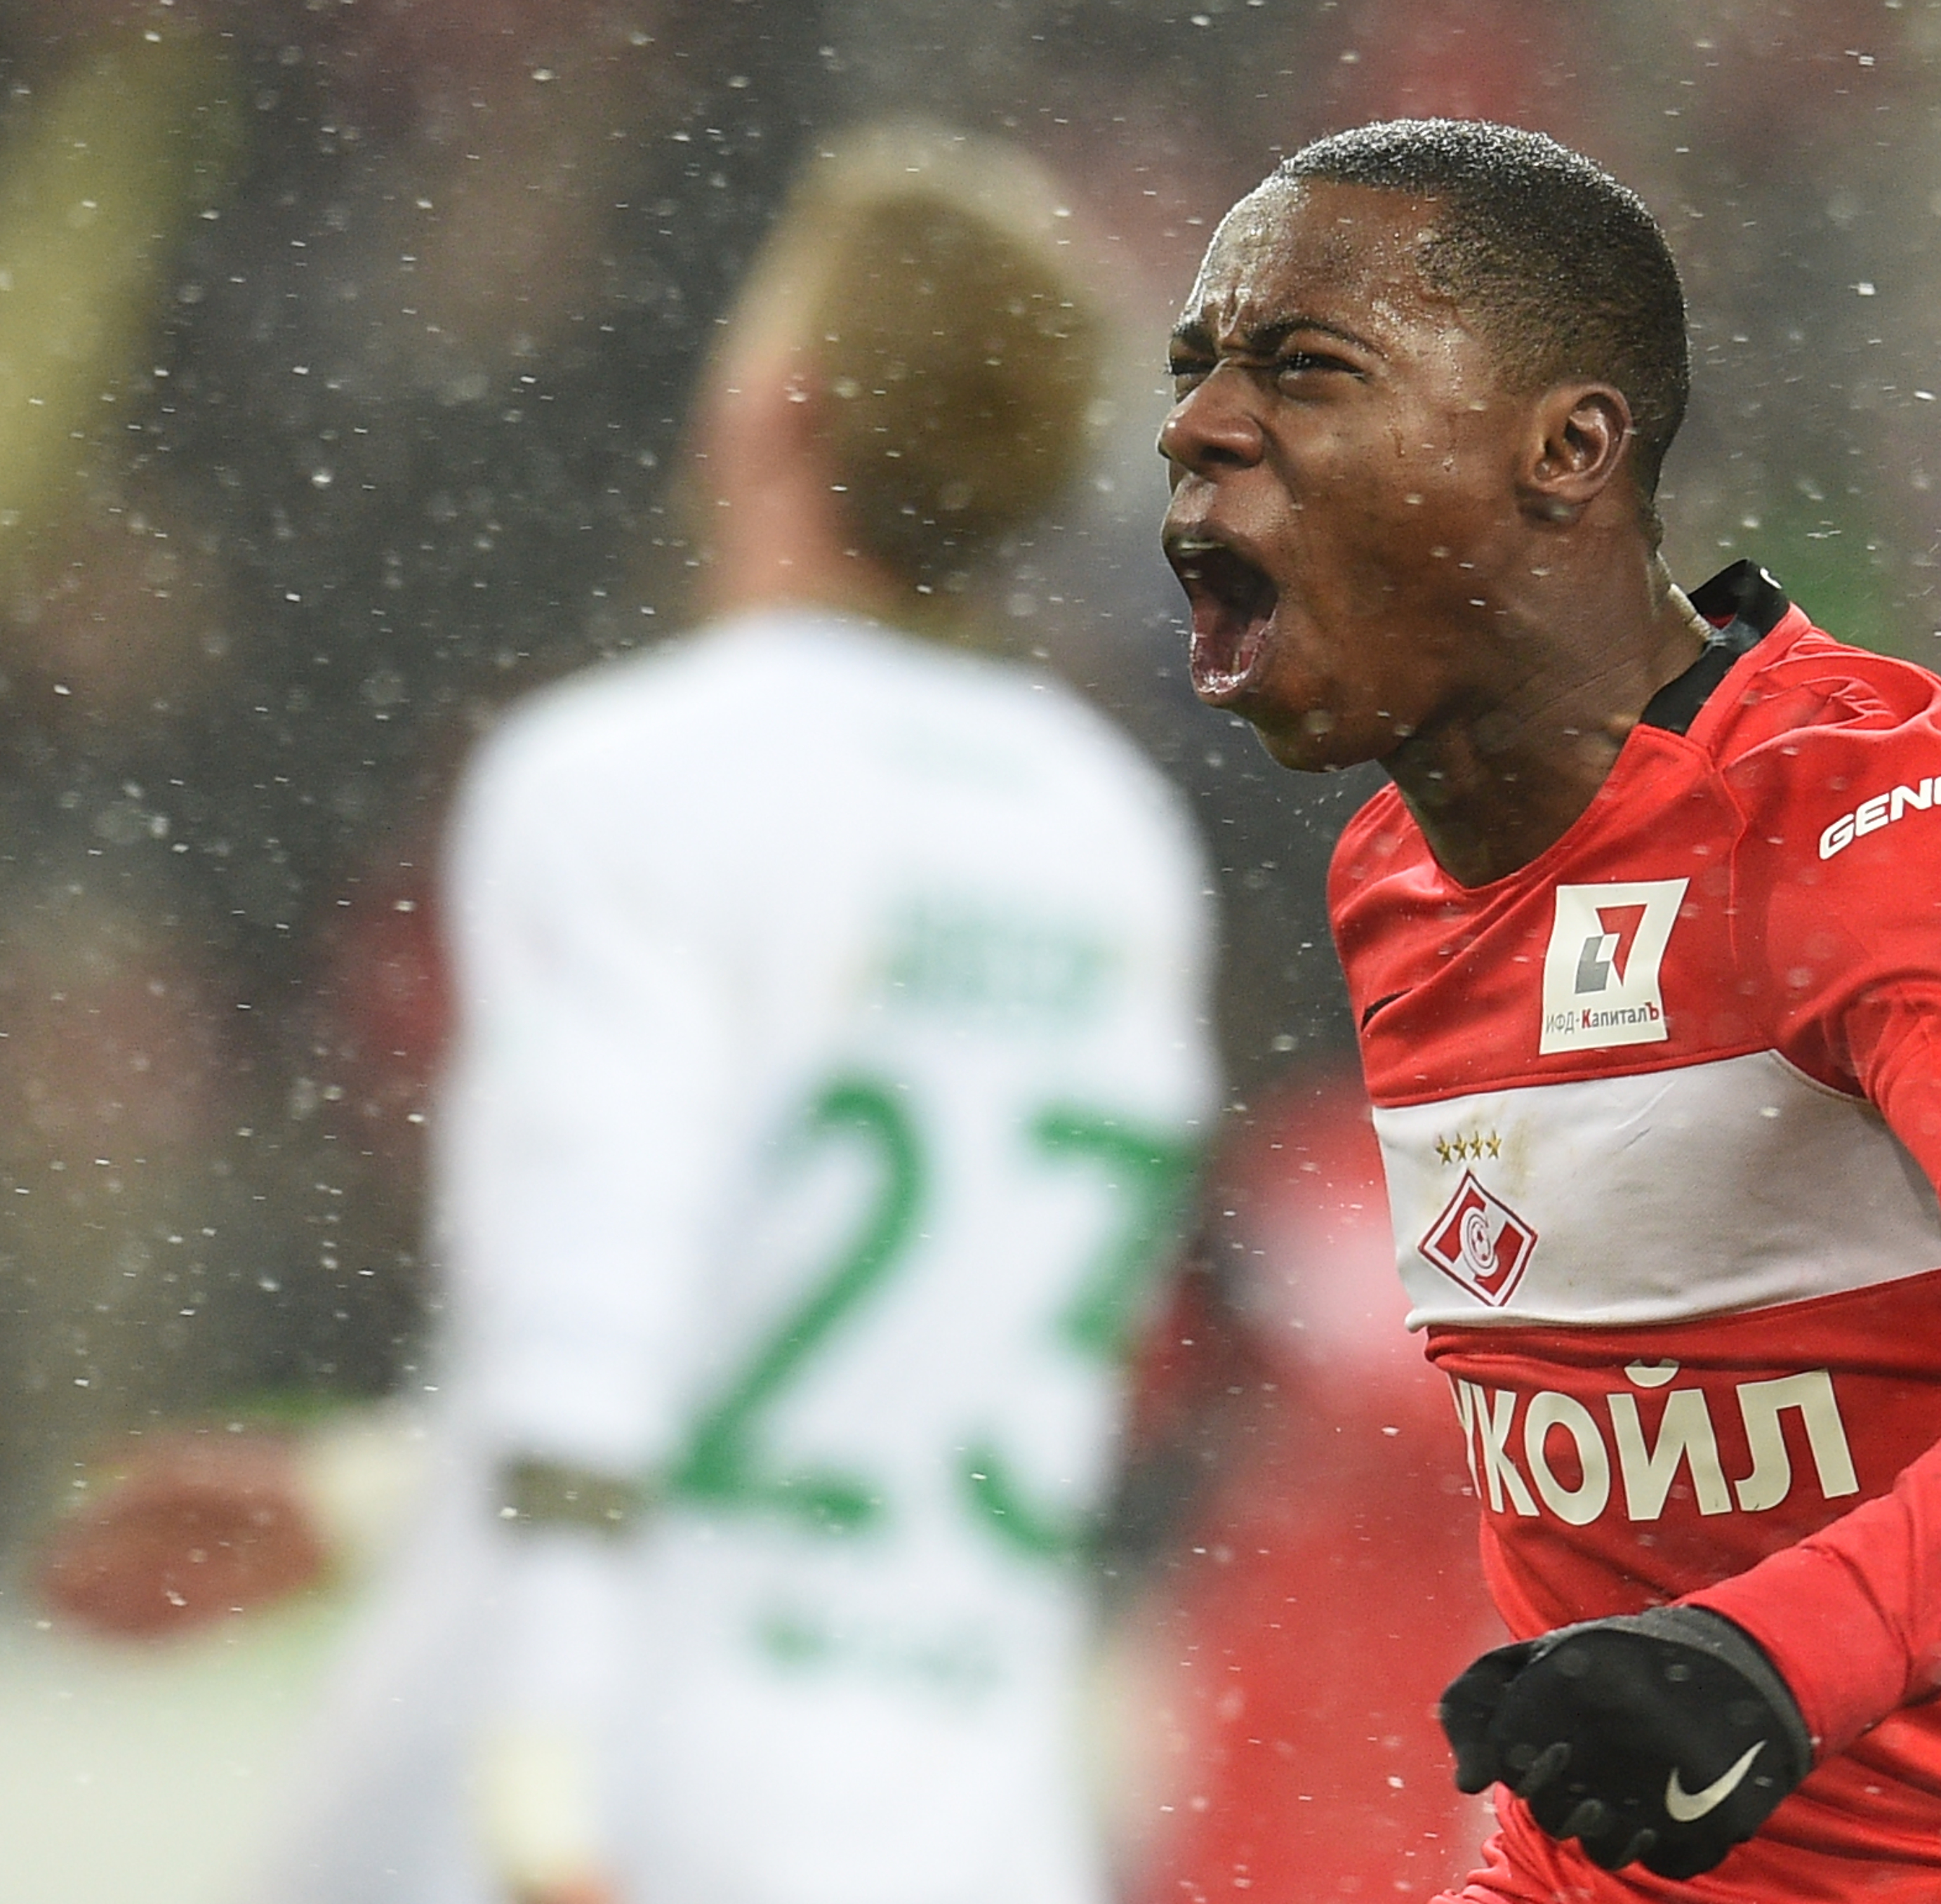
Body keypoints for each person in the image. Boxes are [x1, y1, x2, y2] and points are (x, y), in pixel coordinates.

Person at [1156, 118, 1941, 1903]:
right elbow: (1598, 1606)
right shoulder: (1397, 879)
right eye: (1193, 371)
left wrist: (1767, 1661)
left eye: (1304, 367)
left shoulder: (1883, 826)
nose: (1199, 426)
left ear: (1568, 450)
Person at [45, 123, 1217, 1904]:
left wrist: (538, 1784)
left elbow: (595, 1324)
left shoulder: (629, 774)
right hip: (962, 1825)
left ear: (774, 401)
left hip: (631, 1795)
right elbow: (872, 1379)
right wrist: (384, 1499)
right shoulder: (1107, 838)